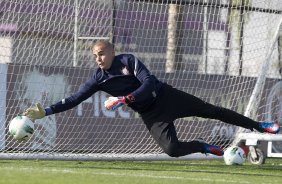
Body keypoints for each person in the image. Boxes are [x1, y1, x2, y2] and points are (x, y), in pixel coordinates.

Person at [23, 40, 280, 157]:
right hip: (152, 114)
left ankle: (260, 126)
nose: (98, 58)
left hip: (166, 96)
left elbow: (148, 83)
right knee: (172, 150)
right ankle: (202, 146)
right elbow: (73, 100)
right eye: (95, 56)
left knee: (212, 110)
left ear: (113, 51)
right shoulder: (97, 79)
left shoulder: (129, 61)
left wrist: (125, 99)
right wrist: (44, 111)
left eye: (102, 53)